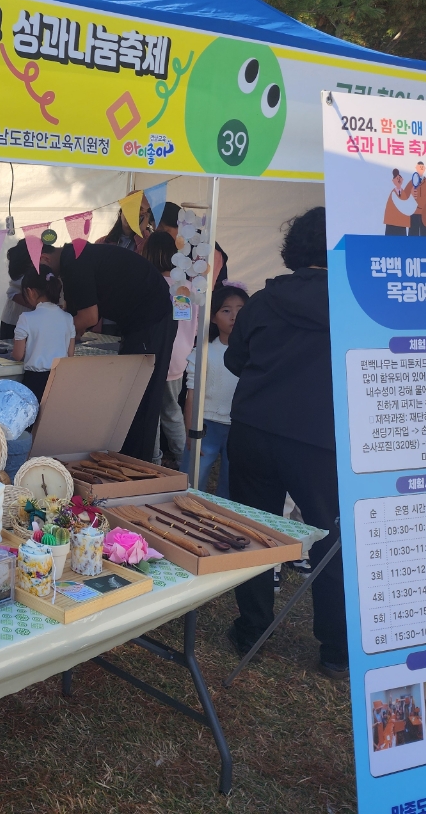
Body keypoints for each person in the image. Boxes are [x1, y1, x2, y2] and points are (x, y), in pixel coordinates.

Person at [224, 206, 348, 680]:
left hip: (254, 428)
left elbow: (237, 360)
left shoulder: (262, 300)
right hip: (319, 439)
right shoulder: (352, 302)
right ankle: (336, 648)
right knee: (328, 538)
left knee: (254, 532)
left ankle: (252, 626)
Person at [56, 240, 175, 459]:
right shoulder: (77, 257)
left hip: (151, 321)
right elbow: (85, 312)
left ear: (44, 259)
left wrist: (58, 332)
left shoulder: (75, 262)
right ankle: (127, 457)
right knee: (132, 396)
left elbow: (89, 317)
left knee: (140, 396)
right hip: (141, 323)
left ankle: (136, 464)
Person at [182, 284, 248, 496]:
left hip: (239, 426)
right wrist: (191, 430)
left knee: (233, 484)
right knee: (193, 480)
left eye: (241, 309)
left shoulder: (255, 351)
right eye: (226, 310)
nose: (234, 316)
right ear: (213, 316)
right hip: (206, 424)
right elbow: (191, 393)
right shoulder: (203, 351)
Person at [144, 231, 193, 467]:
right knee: (173, 410)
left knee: (151, 412)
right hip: (181, 356)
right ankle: (184, 458)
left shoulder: (150, 286)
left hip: (156, 354)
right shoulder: (188, 287)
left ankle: (154, 461)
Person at [10, 269, 73, 400]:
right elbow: (70, 353)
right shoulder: (68, 318)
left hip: (35, 379)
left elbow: (18, 355)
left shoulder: (26, 318)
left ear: (30, 292)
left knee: (34, 417)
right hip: (61, 377)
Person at [383, 169, 415, 236]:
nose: (399, 180)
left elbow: (406, 206)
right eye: (397, 178)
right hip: (392, 222)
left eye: (400, 178)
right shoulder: (393, 193)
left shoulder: (404, 193)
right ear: (393, 181)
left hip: (401, 223)